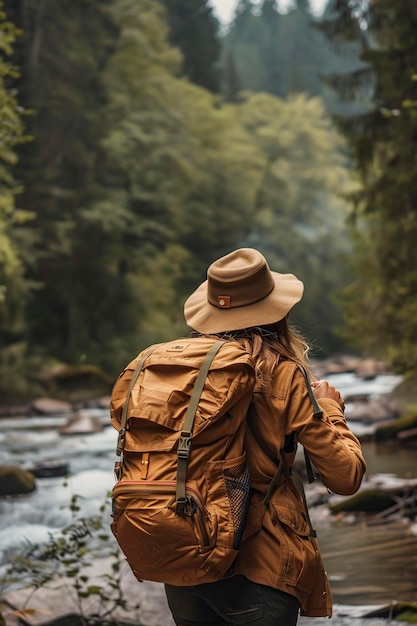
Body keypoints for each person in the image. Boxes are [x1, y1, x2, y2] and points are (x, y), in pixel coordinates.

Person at [164, 247, 366, 626]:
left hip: (185, 558)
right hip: (258, 564)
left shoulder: (179, 372)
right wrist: (330, 409)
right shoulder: (283, 374)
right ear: (277, 312)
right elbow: (346, 477)